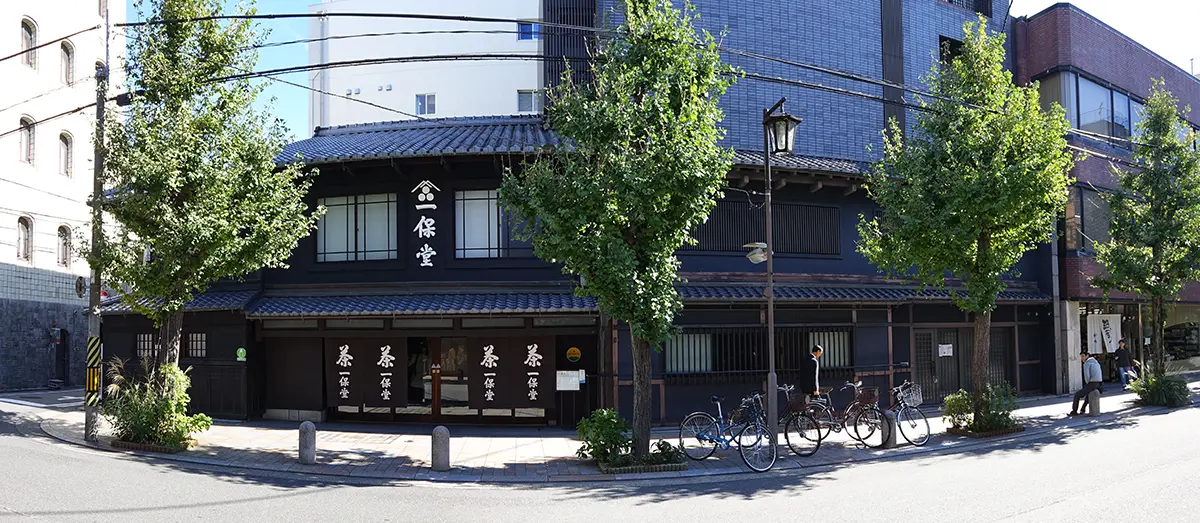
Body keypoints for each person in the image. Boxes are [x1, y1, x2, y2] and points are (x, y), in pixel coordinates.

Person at [1069, 350, 1103, 416]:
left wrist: (1087, 383)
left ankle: (1074, 411)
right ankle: (1083, 409)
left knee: (1077, 395)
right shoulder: (1096, 362)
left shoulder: (1087, 363)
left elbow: (1087, 376)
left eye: (1083, 356)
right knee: (1088, 393)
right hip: (1099, 383)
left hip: (1092, 382)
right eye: (1081, 357)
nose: (1082, 358)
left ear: (1087, 356)